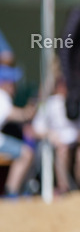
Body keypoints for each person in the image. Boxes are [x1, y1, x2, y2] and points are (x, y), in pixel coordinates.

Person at [1, 66, 35, 199]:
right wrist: (31, 108)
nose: (14, 86)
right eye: (11, 82)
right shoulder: (2, 96)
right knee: (26, 153)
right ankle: (11, 192)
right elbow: (20, 115)